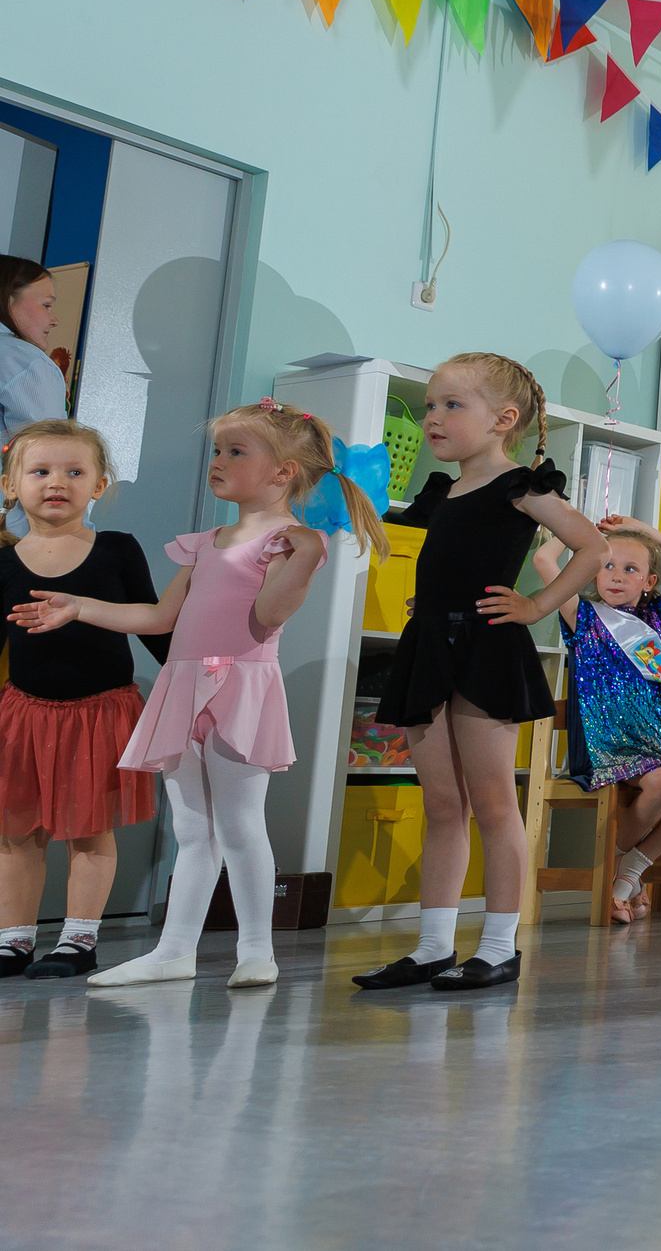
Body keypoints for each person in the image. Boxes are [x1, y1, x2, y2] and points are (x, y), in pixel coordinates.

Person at [15, 401, 375, 986]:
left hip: (239, 685)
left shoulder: (293, 541)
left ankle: (257, 949)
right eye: (217, 449)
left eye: (236, 451)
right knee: (190, 829)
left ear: (282, 472)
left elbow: (266, 615)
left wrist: (306, 559)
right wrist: (79, 607)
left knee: (239, 823)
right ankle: (174, 950)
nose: (218, 461)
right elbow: (159, 618)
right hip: (184, 686)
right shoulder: (205, 543)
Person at [354, 356, 606, 993]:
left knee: (494, 804)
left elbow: (593, 548)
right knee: (442, 804)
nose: (433, 418)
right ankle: (433, 945)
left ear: (504, 420)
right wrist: (431, 606)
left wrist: (538, 606)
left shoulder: (522, 486)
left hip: (485, 649)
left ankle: (499, 946)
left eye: (451, 406)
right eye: (431, 405)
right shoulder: (444, 491)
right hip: (430, 644)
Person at [0, 422, 167, 979]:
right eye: (41, 471)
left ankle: (79, 940)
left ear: (99, 485)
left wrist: (197, 681)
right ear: (10, 484)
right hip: (24, 713)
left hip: (99, 713)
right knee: (17, 832)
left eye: (75, 472)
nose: (57, 483)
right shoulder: (3, 563)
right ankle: (14, 940)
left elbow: (155, 627)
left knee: (90, 830)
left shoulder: (117, 551)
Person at [533, 515, 661, 924]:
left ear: (649, 582)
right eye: (607, 565)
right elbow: (544, 558)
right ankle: (622, 873)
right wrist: (590, 534)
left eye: (630, 569)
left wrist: (643, 530)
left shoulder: (656, 619)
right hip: (610, 740)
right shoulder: (581, 615)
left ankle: (630, 868)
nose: (616, 576)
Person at [0, 258, 65, 444]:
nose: (54, 320)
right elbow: (45, 453)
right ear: (8, 300)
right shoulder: (26, 361)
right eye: (46, 305)